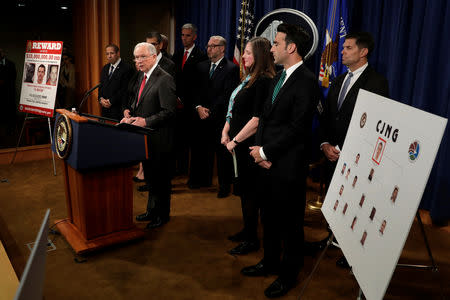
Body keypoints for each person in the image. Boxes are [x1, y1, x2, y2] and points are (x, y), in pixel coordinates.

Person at [241, 24, 320, 298]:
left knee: (290, 224)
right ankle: (270, 261)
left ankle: (288, 276)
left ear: (291, 47)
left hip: (287, 166)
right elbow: (265, 117)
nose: (271, 48)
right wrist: (258, 149)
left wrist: (266, 153)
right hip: (266, 162)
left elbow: (297, 128)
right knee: (270, 218)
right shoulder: (278, 78)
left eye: (276, 43)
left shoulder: (308, 82)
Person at [318, 32, 389, 269]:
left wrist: (343, 148)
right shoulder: (338, 80)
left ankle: (350, 249)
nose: (342, 51)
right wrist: (325, 144)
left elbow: (374, 126)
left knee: (354, 205)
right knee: (334, 200)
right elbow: (328, 117)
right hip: (331, 154)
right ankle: (332, 238)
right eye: (343, 48)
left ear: (363, 51)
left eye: (348, 48)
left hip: (356, 159)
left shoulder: (376, 82)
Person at [221, 36, 275, 254]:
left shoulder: (263, 81)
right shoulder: (249, 78)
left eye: (248, 52)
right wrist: (225, 129)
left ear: (260, 55)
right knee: (244, 192)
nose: (243, 56)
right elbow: (233, 108)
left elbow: (256, 119)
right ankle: (247, 230)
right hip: (237, 145)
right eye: (244, 52)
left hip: (249, 146)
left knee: (252, 193)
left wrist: (235, 140)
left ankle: (252, 239)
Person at [121, 42, 177, 229]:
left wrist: (146, 121)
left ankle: (163, 215)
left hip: (160, 138)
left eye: (142, 57)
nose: (138, 61)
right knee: (151, 179)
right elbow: (135, 100)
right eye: (136, 57)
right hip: (145, 138)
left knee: (161, 180)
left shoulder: (164, 78)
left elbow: (169, 111)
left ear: (154, 56)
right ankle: (151, 210)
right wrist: (129, 111)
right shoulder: (140, 76)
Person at [188, 35, 239, 197]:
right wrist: (198, 107)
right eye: (208, 46)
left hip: (218, 119)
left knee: (222, 155)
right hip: (199, 116)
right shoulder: (201, 66)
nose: (208, 49)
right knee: (200, 150)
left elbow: (227, 96)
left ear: (222, 48)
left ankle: (224, 187)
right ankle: (201, 180)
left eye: (213, 46)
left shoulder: (231, 68)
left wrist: (209, 111)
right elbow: (194, 91)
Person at [172, 23, 208, 176]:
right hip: (176, 104)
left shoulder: (201, 55)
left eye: (187, 35)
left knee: (192, 141)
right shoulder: (177, 54)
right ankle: (180, 169)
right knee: (179, 140)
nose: (184, 38)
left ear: (194, 37)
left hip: (192, 105)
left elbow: (200, 83)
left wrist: (186, 99)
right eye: (182, 35)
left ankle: (191, 172)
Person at [99, 44, 134, 121]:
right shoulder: (105, 68)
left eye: (112, 53)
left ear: (118, 53)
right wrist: (101, 99)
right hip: (105, 111)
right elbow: (101, 86)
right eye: (107, 54)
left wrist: (111, 101)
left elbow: (125, 90)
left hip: (118, 110)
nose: (109, 56)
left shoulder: (127, 68)